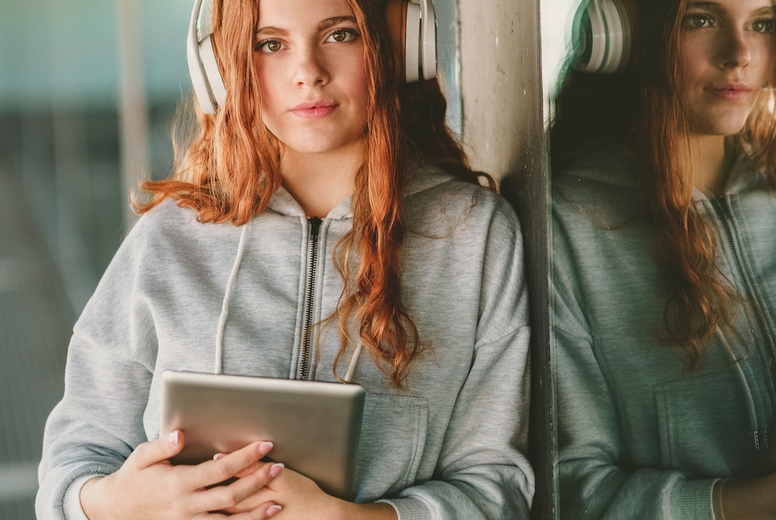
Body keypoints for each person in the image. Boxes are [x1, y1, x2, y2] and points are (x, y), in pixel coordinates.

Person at [35, 0, 534, 518]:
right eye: (270, 45)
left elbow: (499, 486)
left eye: (341, 35)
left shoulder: (475, 235)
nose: (308, 73)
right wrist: (116, 502)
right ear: (222, 66)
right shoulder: (167, 239)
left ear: (403, 44)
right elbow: (71, 466)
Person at [551, 0, 776, 518]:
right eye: (700, 19)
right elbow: (574, 489)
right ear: (624, 37)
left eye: (761, 24)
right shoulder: (570, 225)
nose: (739, 54)